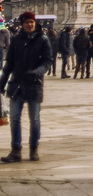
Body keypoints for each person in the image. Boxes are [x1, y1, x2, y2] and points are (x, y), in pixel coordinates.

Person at [0, 11, 53, 163]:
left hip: (34, 84)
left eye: (32, 22)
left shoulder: (43, 40)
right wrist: (2, 83)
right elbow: (9, 64)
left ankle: (33, 149)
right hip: (16, 84)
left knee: (34, 119)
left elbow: (47, 61)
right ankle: (16, 150)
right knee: (15, 118)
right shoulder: (16, 40)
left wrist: (38, 72)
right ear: (22, 24)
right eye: (26, 22)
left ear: (35, 23)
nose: (30, 24)